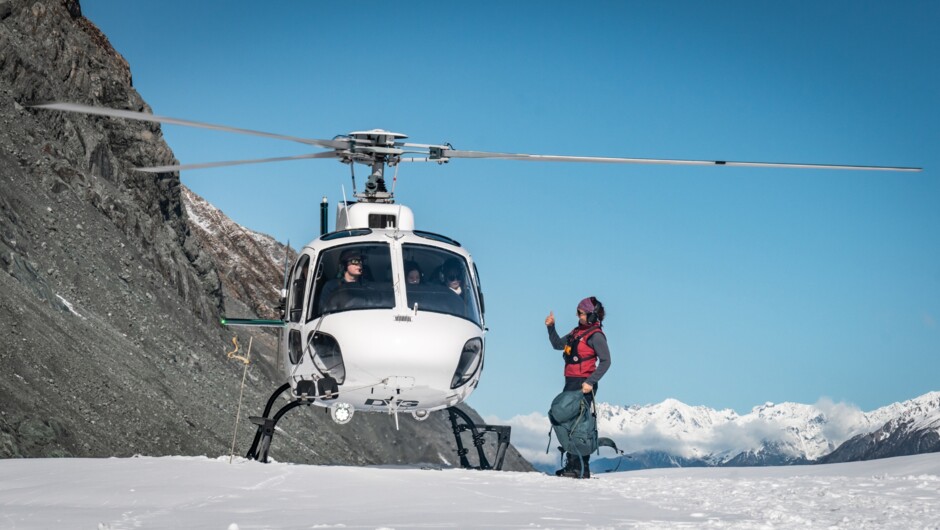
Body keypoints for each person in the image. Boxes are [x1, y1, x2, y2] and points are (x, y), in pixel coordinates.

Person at [545, 296, 611, 478]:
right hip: (571, 382)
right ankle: (572, 466)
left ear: (591, 315)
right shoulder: (576, 333)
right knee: (567, 422)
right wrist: (551, 327)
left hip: (584, 384)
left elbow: (606, 361)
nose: (578, 316)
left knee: (580, 425)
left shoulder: (596, 336)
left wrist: (590, 382)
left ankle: (580, 468)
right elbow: (558, 344)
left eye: (580, 313)